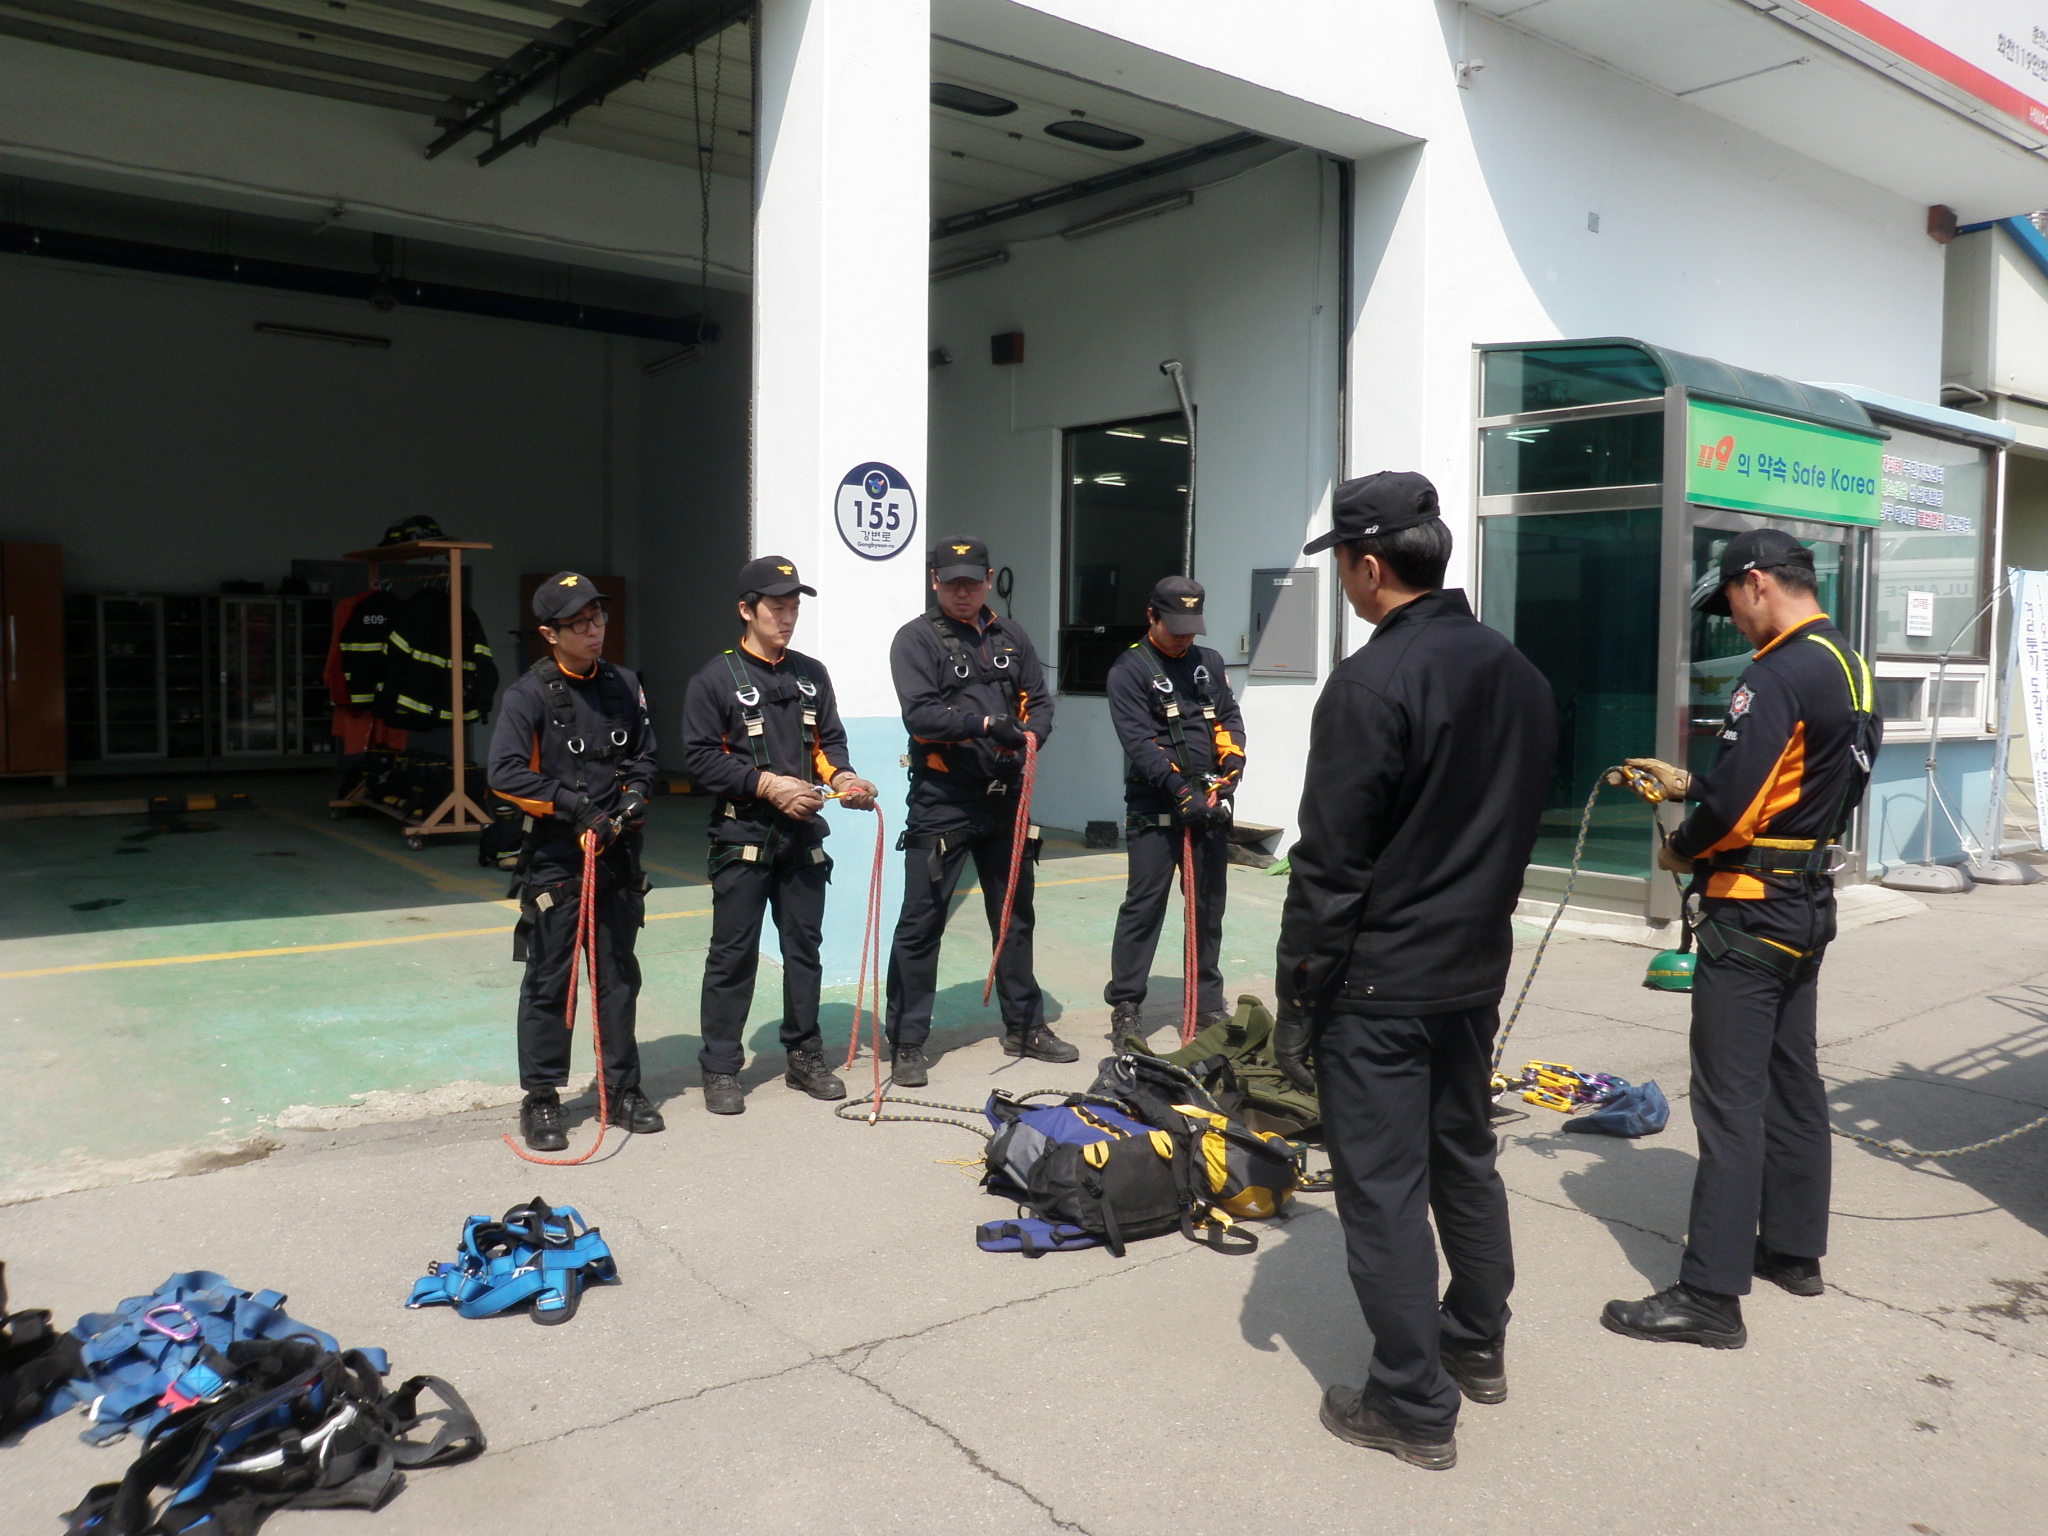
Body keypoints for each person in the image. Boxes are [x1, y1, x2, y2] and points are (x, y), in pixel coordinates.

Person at [1271, 473, 1556, 1471]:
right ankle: (1474, 1340)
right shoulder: (1518, 674)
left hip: (1380, 983)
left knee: (1384, 1187)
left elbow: (1329, 865)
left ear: (1368, 566)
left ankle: (1409, 1401)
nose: (1345, 584)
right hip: (1470, 971)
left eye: (1343, 568)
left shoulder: (1370, 684)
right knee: (1463, 1157)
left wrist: (1298, 996)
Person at [1601, 528, 1878, 1348]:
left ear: (1756, 582)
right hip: (1807, 901)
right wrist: (1693, 782)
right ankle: (1793, 1250)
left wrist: (1682, 846)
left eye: (1729, 603)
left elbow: (1733, 811)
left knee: (1728, 1103)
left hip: (1750, 912)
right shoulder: (1849, 665)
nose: (1733, 620)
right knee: (1794, 1081)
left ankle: (1710, 1295)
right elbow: (1800, 785)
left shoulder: (1776, 673)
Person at [680, 557, 879, 1116]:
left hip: (803, 837)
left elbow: (828, 743)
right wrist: (767, 785)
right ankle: (722, 1066)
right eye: (776, 607)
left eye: (793, 608)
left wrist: (844, 779)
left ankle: (804, 1054)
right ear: (746, 610)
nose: (787, 618)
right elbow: (701, 758)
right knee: (733, 955)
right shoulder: (714, 679)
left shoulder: (811, 674)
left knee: (804, 950)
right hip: (742, 835)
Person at [882, 536, 1078, 1085]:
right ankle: (907, 1041)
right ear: (935, 582)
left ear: (989, 580)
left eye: (972, 582)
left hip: (1005, 797)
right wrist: (987, 726)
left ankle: (1025, 1025)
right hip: (943, 800)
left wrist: (1030, 737)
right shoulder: (915, 639)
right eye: (952, 583)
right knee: (922, 921)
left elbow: (1040, 702)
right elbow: (921, 715)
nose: (962, 592)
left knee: (1014, 915)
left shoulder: (1010, 635)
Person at [487, 572, 664, 1151]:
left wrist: (633, 798)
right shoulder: (528, 695)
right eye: (579, 623)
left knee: (617, 978)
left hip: (617, 854)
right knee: (550, 981)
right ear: (549, 633)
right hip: (559, 859)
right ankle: (541, 1098)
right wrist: (576, 808)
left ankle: (622, 1089)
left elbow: (644, 756)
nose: (594, 631)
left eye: (598, 618)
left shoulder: (625, 684)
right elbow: (505, 773)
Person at [1103, 576, 1247, 1042]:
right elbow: (1139, 742)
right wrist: (1180, 791)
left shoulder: (1209, 663)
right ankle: (1126, 1005)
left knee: (1207, 907)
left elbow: (1228, 719)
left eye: (1192, 629)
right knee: (1144, 906)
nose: (1185, 638)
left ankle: (1206, 1004)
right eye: (1176, 628)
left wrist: (1232, 764)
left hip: (1209, 799)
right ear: (1152, 616)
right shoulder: (1129, 670)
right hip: (1155, 803)